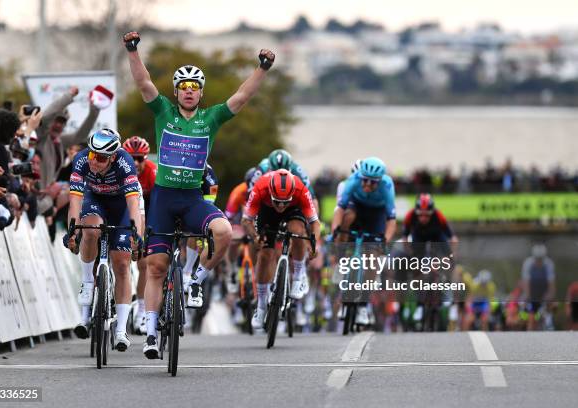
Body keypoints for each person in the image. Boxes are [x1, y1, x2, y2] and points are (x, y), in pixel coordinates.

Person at [123, 30, 276, 359]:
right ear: (176, 92)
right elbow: (144, 84)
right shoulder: (164, 112)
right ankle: (150, 333)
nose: (189, 93)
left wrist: (261, 69)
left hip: (193, 198)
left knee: (222, 232)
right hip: (163, 198)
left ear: (200, 93)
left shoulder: (211, 117)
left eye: (194, 88)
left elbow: (241, 97)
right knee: (156, 267)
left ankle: (196, 279)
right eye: (184, 88)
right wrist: (133, 50)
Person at [63, 128, 143, 351]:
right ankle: (88, 281)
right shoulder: (80, 161)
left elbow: (134, 205)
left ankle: (121, 330)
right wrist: (73, 232)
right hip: (94, 200)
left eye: (100, 158)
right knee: (89, 229)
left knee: (122, 264)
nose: (94, 161)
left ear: (113, 157)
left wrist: (136, 233)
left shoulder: (125, 164)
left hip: (121, 207)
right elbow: (75, 203)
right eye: (91, 155)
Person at [242, 169, 320, 329]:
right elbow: (246, 221)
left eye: (285, 202)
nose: (281, 206)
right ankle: (262, 305)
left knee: (298, 232)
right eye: (278, 201)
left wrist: (313, 245)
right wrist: (255, 237)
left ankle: (299, 274)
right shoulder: (260, 188)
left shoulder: (300, 189)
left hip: (295, 210)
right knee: (265, 255)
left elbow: (315, 223)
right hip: (266, 212)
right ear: (270, 192)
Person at [334, 157, 396, 325]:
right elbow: (339, 209)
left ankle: (363, 305)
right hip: (357, 207)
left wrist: (385, 240)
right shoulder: (353, 181)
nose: (367, 185)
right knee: (347, 218)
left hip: (377, 214)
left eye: (372, 183)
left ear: (380, 181)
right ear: (360, 177)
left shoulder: (387, 186)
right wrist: (336, 230)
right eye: (365, 181)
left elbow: (391, 220)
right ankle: (341, 257)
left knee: (372, 260)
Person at [37, 86, 100, 216]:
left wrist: (94, 111)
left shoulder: (59, 141)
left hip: (48, 201)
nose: (59, 125)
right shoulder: (41, 136)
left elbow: (80, 136)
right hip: (37, 199)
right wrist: (69, 96)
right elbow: (45, 117)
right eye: (57, 120)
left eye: (63, 122)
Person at [123, 135, 157, 333]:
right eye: (131, 158)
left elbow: (158, 203)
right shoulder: (119, 169)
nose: (135, 163)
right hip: (125, 210)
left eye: (140, 158)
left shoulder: (152, 172)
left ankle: (142, 311)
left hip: (149, 213)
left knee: (143, 263)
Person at [521, 244, 555, 331]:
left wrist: (550, 295)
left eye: (541, 259)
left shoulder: (549, 263)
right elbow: (526, 282)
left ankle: (549, 325)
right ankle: (530, 330)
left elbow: (551, 283)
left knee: (549, 308)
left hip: (544, 290)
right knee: (531, 316)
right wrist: (527, 296)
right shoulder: (528, 263)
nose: (539, 261)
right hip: (532, 292)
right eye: (537, 259)